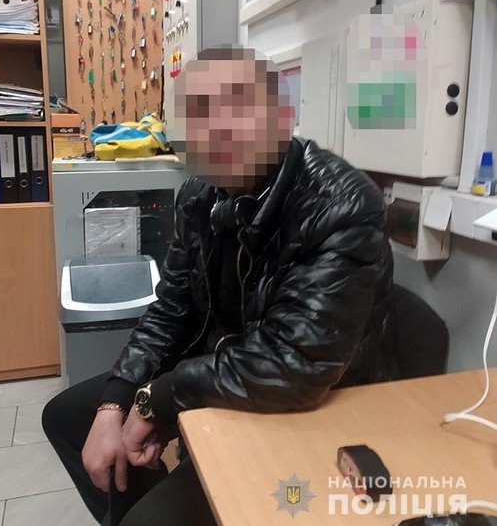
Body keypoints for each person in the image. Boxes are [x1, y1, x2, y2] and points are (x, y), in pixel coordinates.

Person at [42, 45, 397, 526]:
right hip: (221, 375)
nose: (215, 131)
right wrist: (117, 399)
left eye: (236, 108)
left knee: (151, 519)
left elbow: (293, 363)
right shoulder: (200, 196)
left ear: (282, 116)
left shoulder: (341, 204)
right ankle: (148, 499)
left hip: (307, 403)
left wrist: (157, 400)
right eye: (197, 115)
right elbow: (171, 308)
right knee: (68, 416)